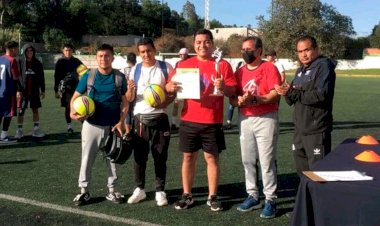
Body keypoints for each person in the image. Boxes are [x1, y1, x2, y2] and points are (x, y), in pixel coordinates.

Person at [165, 29, 236, 211]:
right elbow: (169, 85)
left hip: (212, 120)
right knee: (188, 157)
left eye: (206, 42)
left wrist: (223, 87)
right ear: (193, 44)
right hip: (189, 119)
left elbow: (232, 91)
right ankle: (187, 195)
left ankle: (212, 196)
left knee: (211, 158)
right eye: (198, 42)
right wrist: (169, 86)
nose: (202, 45)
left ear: (212, 43)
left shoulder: (223, 65)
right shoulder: (184, 65)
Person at [70, 43, 129, 206]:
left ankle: (112, 190)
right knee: (87, 159)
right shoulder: (88, 76)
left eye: (107, 56)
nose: (104, 59)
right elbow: (75, 97)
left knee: (113, 160)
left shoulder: (119, 77)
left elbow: (125, 103)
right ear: (96, 58)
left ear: (113, 58)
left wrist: (121, 121)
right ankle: (84, 191)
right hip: (91, 125)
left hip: (112, 126)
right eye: (101, 56)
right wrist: (71, 112)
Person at [230, 36, 281, 219]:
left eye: (249, 49)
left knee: (267, 162)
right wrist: (239, 101)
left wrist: (256, 99)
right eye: (243, 49)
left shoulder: (269, 68)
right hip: (245, 119)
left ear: (259, 50)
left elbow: (275, 94)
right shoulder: (240, 72)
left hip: (266, 118)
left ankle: (270, 199)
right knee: (248, 160)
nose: (245, 52)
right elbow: (233, 99)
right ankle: (252, 195)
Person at [275, 35, 336, 176]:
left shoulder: (324, 66)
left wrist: (293, 93)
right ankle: (306, 198)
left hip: (316, 130)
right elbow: (292, 101)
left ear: (316, 49)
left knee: (318, 175)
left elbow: (321, 95)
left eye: (307, 50)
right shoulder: (300, 70)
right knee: (302, 173)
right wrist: (286, 92)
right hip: (300, 129)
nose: (303, 54)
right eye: (300, 51)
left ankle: (319, 199)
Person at [125, 37, 173, 207]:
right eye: (143, 52)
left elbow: (174, 92)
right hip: (140, 119)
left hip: (160, 118)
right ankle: (140, 189)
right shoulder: (135, 70)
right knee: (139, 157)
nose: (146, 54)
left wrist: (162, 103)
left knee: (160, 156)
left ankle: (160, 191)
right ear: (139, 53)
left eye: (149, 50)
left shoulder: (166, 68)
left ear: (154, 49)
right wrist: (130, 91)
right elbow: (129, 98)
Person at [15, 44, 45, 139]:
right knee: (21, 110)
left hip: (34, 91)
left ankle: (36, 130)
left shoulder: (37, 63)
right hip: (23, 91)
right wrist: (18, 90)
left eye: (31, 51)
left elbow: (41, 77)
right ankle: (19, 131)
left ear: (33, 52)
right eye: (27, 51)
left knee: (35, 109)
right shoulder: (19, 62)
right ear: (24, 52)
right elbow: (16, 77)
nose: (29, 53)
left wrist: (42, 90)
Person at [54, 43, 83, 134]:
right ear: (63, 51)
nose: (68, 52)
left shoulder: (76, 61)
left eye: (69, 50)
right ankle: (69, 127)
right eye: (66, 50)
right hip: (65, 89)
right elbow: (56, 77)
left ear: (72, 51)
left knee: (80, 106)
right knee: (68, 108)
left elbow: (84, 72)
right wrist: (56, 90)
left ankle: (84, 126)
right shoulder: (60, 62)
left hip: (76, 88)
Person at [0, 41, 21, 142]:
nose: (17, 51)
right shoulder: (12, 60)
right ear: (12, 49)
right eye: (16, 48)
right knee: (9, 113)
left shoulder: (0, 59)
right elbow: (16, 78)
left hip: (0, 91)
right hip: (9, 91)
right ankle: (3, 135)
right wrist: (19, 90)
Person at [171, 48, 190, 131]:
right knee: (176, 105)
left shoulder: (191, 62)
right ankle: (174, 123)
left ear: (187, 54)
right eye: (180, 54)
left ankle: (186, 123)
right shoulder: (178, 63)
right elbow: (175, 73)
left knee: (188, 106)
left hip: (189, 87)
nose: (181, 56)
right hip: (179, 87)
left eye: (183, 54)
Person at [225, 61, 244, 130]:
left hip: (242, 92)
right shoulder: (236, 74)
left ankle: (241, 122)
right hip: (235, 92)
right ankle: (229, 122)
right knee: (231, 107)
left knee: (241, 107)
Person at [123, 52, 137, 134]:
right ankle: (135, 129)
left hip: (127, 92)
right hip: (136, 92)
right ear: (135, 60)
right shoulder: (139, 68)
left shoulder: (124, 69)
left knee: (127, 111)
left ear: (127, 60)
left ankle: (128, 131)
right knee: (135, 111)